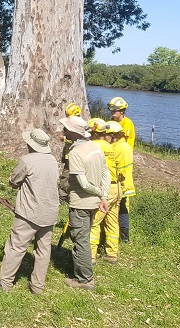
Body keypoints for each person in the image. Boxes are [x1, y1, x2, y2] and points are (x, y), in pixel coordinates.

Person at [0, 127, 60, 295]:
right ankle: (37, 286)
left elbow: (14, 181)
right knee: (43, 249)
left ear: (31, 144)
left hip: (29, 212)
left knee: (16, 247)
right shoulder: (53, 160)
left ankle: (5, 283)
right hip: (50, 211)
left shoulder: (27, 160)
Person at [60, 115, 110, 290]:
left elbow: (83, 184)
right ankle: (83, 270)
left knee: (80, 240)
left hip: (81, 203)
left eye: (66, 129)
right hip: (94, 203)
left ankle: (84, 279)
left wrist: (99, 193)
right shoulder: (95, 147)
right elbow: (105, 173)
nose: (63, 131)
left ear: (73, 133)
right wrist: (103, 196)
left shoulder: (75, 153)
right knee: (84, 237)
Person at [89, 120, 121, 264]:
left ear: (94, 132)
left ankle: (90, 255)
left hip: (105, 188)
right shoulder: (108, 145)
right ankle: (112, 254)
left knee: (94, 222)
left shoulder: (94, 146)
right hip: (116, 187)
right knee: (112, 222)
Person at [108, 96, 135, 242]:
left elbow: (125, 145)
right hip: (116, 164)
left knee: (123, 204)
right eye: (111, 111)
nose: (112, 114)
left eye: (115, 111)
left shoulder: (127, 124)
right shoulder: (112, 122)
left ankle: (124, 236)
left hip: (122, 166)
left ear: (122, 111)